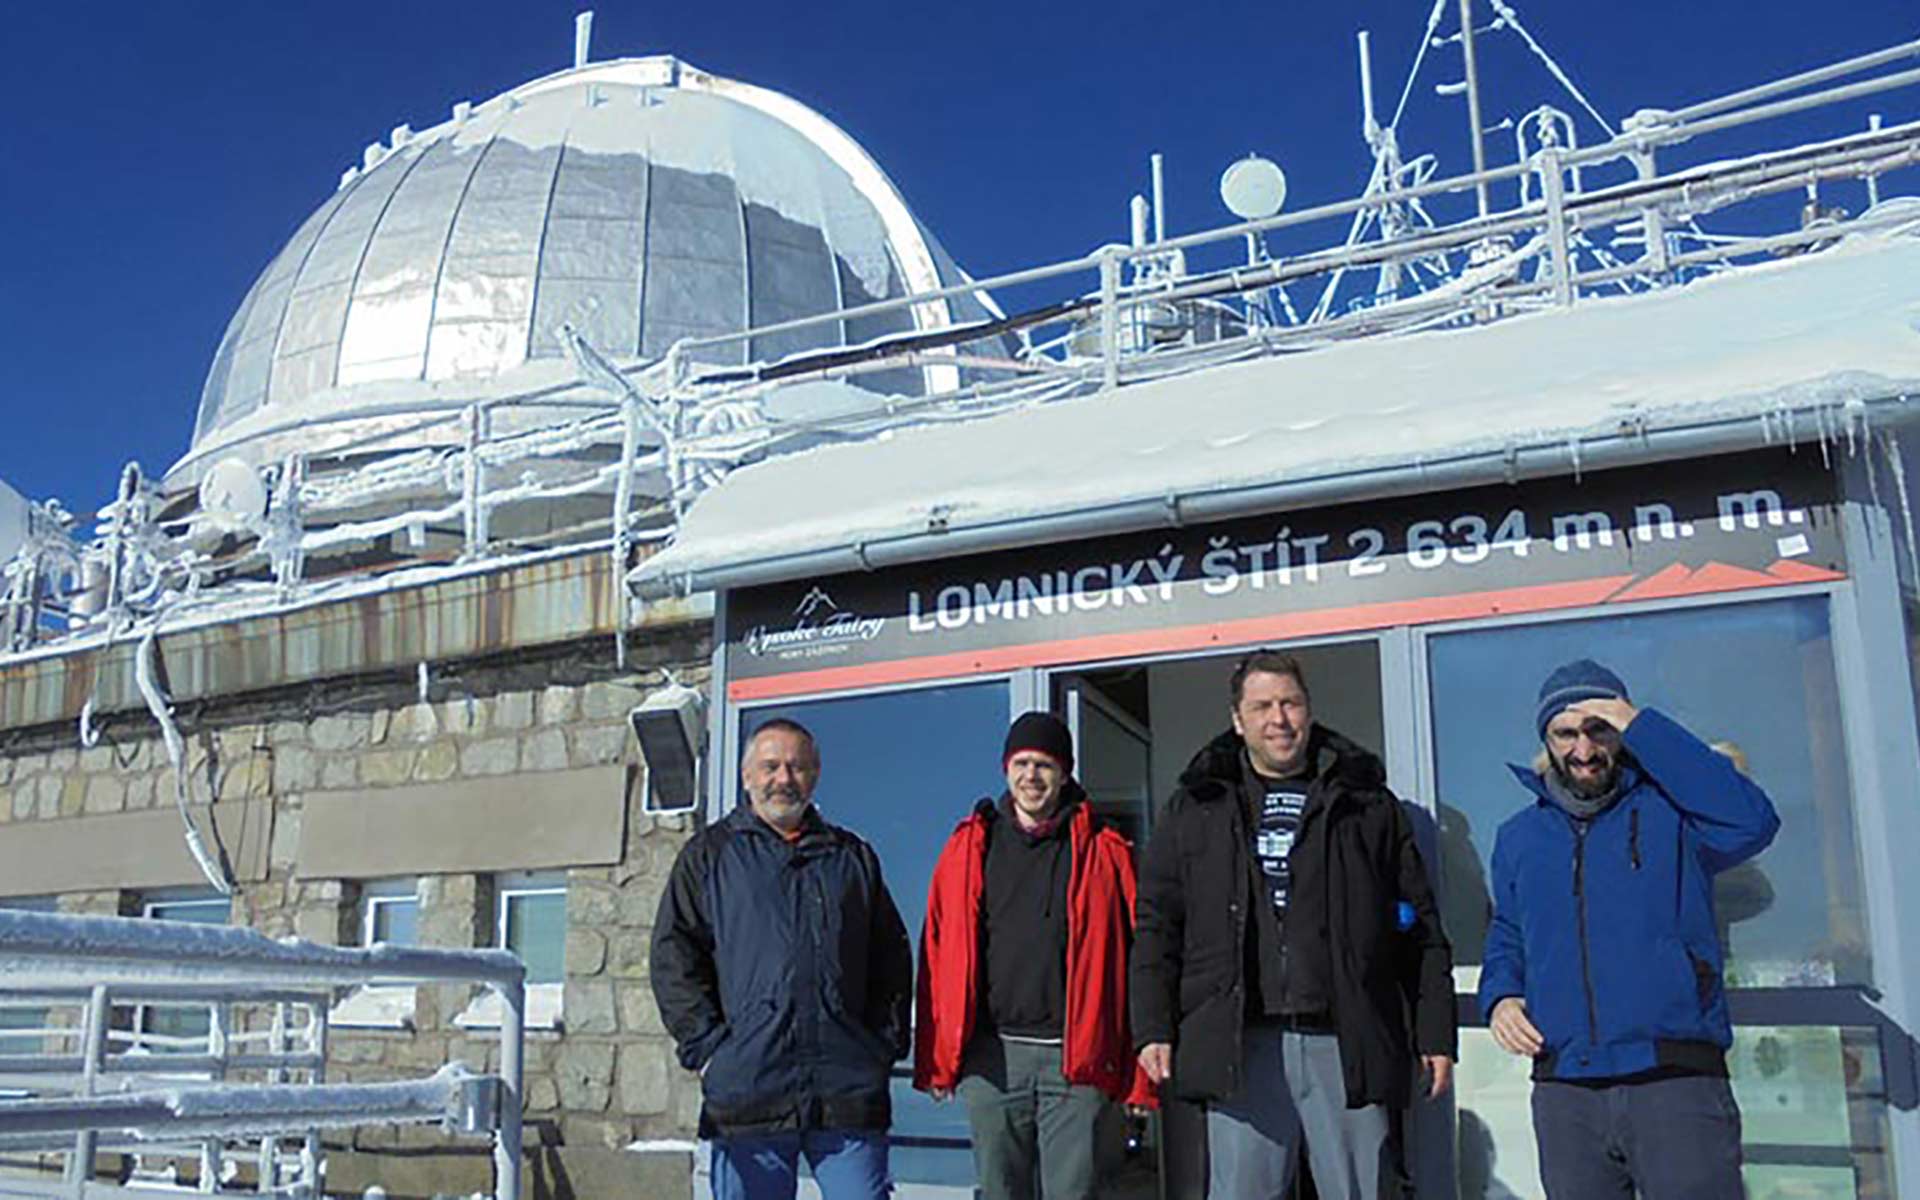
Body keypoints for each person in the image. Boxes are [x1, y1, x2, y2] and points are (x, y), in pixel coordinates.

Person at [1131, 650, 1455, 1199]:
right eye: (1261, 706)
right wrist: (1152, 1026)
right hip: (1240, 1042)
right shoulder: (1196, 806)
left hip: (1346, 1037)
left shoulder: (1366, 804)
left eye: (1290, 703)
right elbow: (1158, 925)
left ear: (1309, 710)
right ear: (1238, 720)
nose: (1278, 719)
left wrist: (1434, 1032)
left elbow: (1420, 930)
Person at [1479, 660, 1781, 1200]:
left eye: (1600, 729)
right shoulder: (1519, 836)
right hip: (1565, 1087)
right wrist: (1501, 996)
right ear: (1546, 740)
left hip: (1674, 1079)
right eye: (1565, 733)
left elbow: (1752, 822)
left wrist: (1640, 723)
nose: (1584, 749)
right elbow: (1508, 930)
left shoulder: (1674, 814)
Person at [651, 718, 913, 1200]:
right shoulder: (710, 855)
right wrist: (709, 1048)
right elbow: (674, 956)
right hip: (750, 1091)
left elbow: (891, 957)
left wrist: (883, 1042)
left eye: (796, 767)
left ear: (814, 775)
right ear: (747, 775)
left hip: (846, 1089)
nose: (783, 778)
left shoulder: (851, 857)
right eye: (770, 766)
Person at [914, 711, 1152, 1200]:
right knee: (1000, 1191)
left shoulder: (1105, 850)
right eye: (1021, 763)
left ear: (1064, 773)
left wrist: (1139, 1071)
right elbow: (937, 953)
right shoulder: (969, 847)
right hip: (993, 1060)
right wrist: (937, 1058)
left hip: (1077, 1060)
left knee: (1074, 1191)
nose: (1031, 776)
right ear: (1005, 769)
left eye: (1044, 764)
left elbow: (1140, 959)